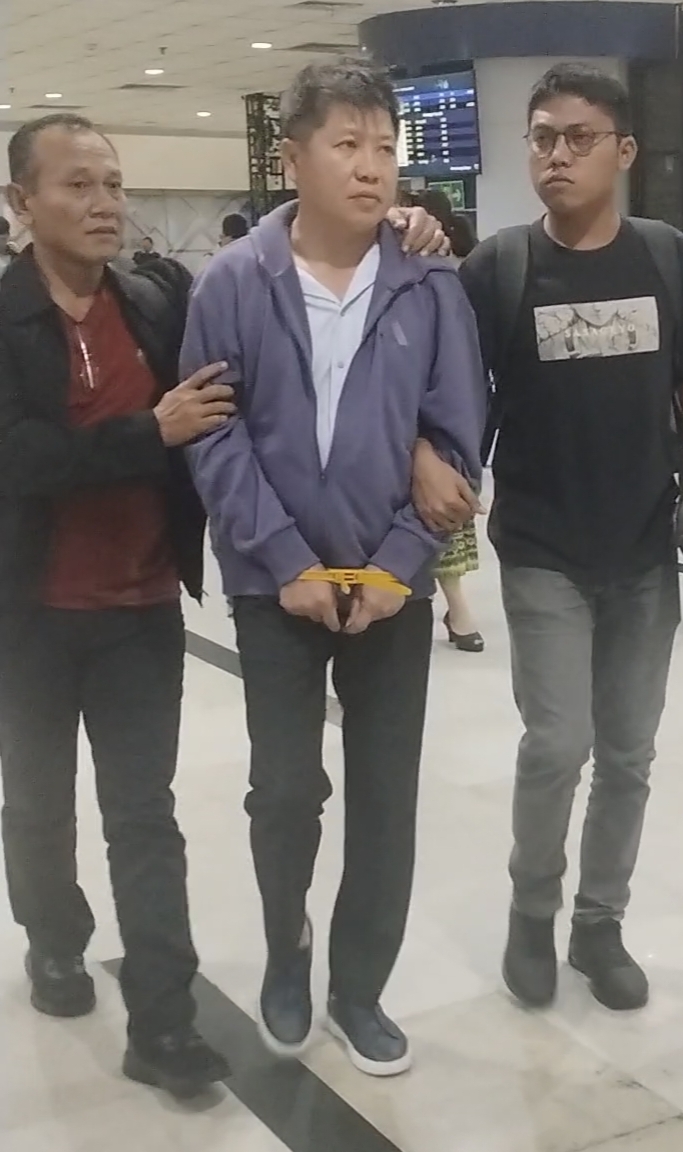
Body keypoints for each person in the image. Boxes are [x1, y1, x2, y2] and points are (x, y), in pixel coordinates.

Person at [413, 63, 683, 1012]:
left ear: (624, 152)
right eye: (542, 137)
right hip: (542, 549)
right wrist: (430, 463)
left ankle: (599, 923)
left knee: (628, 754)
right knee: (556, 743)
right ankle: (532, 915)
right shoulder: (501, 268)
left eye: (579, 137)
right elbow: (445, 391)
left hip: (645, 550)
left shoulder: (664, 258)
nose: (558, 155)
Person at [182, 60, 485, 1077]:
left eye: (384, 147)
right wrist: (282, 558)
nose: (370, 167)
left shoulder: (429, 283)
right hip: (277, 587)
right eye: (346, 145)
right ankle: (287, 950)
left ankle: (360, 989)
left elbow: (458, 435)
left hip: (392, 586)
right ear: (292, 158)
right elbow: (213, 433)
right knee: (282, 791)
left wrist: (400, 563)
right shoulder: (234, 283)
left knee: (385, 798)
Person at [0, 113, 235, 1098]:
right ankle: (54, 938)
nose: (103, 204)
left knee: (144, 815)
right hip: (30, 615)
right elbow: (19, 457)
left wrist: (401, 227)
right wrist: (151, 432)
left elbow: (253, 301)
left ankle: (164, 1023)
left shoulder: (152, 298)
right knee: (39, 801)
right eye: (77, 185)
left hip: (141, 606)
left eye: (112, 183)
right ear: (21, 203)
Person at [415, 188, 484, 652]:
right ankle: (457, 611)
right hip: (413, 417)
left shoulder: (445, 272)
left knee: (445, 514)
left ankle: (458, 609)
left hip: (441, 414)